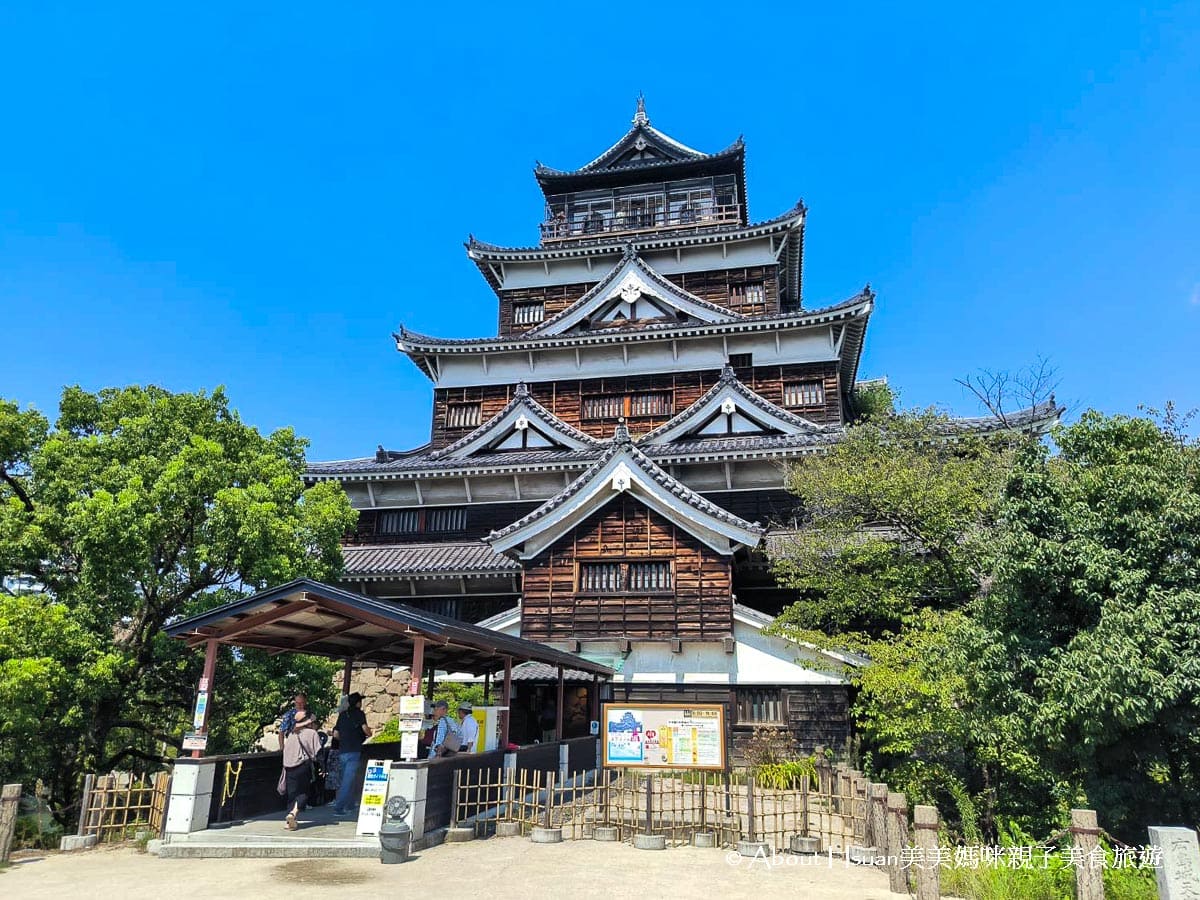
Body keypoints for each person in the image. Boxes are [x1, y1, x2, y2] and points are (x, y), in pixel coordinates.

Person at [331, 692, 372, 816]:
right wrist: (369, 734)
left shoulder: (342, 715)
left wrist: (345, 739)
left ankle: (350, 804)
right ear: (358, 703)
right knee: (348, 781)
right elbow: (365, 729)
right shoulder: (359, 714)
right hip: (354, 750)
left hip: (343, 750)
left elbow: (336, 734)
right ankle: (339, 808)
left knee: (348, 779)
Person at [282, 710, 321, 830]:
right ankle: (293, 813)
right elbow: (318, 752)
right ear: (309, 722)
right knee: (303, 792)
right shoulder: (312, 733)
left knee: (292, 794)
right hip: (303, 766)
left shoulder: (291, 734)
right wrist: (322, 768)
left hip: (288, 767)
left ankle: (289, 822)